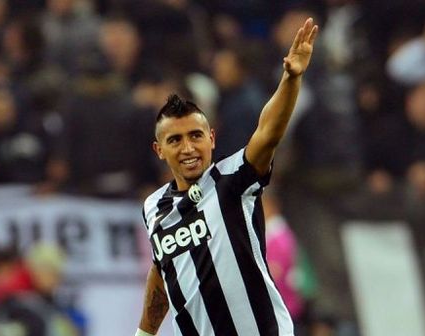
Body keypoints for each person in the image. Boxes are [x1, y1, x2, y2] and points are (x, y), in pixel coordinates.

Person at [135, 17, 319, 336]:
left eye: (196, 135)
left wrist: (291, 79)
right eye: (175, 140)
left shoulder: (232, 181)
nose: (188, 147)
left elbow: (268, 133)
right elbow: (162, 268)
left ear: (212, 139)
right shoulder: (154, 207)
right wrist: (145, 333)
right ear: (159, 150)